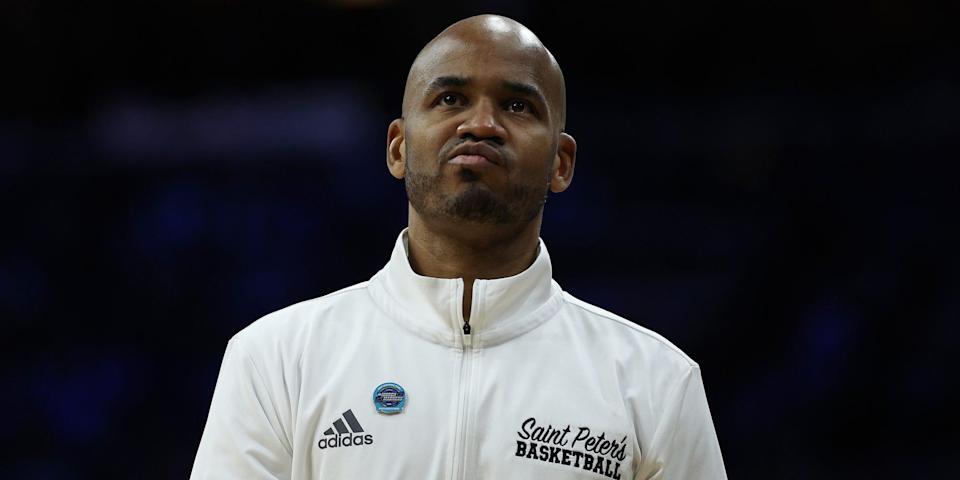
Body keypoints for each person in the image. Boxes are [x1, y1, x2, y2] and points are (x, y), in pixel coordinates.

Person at [191, 14, 726, 480]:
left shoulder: (655, 382)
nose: (481, 124)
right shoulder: (276, 361)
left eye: (517, 105)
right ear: (398, 147)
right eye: (450, 99)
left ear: (561, 163)